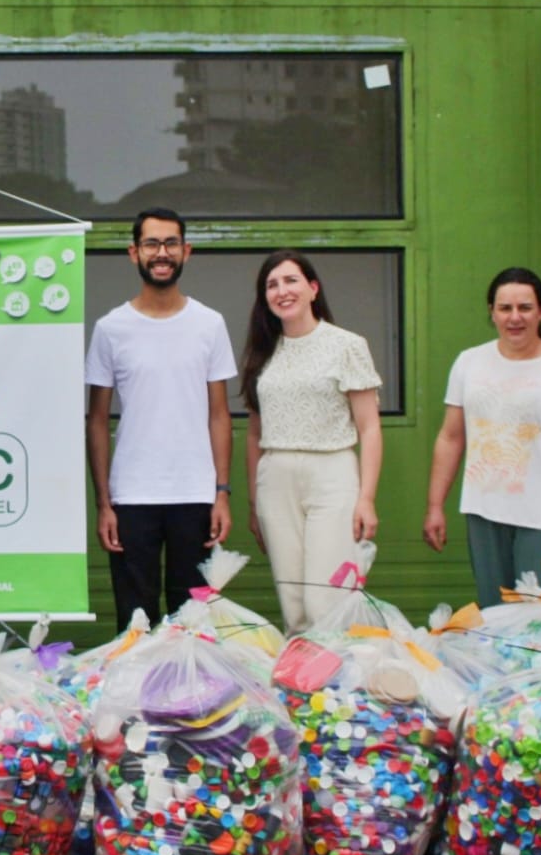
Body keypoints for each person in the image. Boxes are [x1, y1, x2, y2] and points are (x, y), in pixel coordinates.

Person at [86, 208, 236, 632]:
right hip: (131, 495)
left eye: (171, 243)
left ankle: (192, 699)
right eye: (152, 244)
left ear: (186, 251)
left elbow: (220, 414)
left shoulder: (209, 324)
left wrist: (221, 492)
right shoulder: (111, 328)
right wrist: (104, 503)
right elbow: (96, 420)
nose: (162, 252)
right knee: (135, 622)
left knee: (194, 621)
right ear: (135, 253)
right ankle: (134, 697)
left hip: (195, 491)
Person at [424, 266, 541, 605]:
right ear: (492, 312)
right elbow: (450, 437)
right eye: (505, 308)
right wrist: (435, 506)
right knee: (494, 615)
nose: (515, 318)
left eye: (525, 308)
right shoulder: (469, 363)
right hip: (484, 510)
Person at [241, 250, 382, 634]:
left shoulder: (347, 345)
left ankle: (339, 684)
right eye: (272, 285)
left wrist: (366, 498)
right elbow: (254, 432)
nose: (282, 291)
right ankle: (304, 689)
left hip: (332, 472)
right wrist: (254, 502)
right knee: (294, 600)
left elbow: (369, 427)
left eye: (291, 281)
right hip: (276, 476)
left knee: (327, 597)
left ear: (313, 288)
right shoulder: (263, 352)